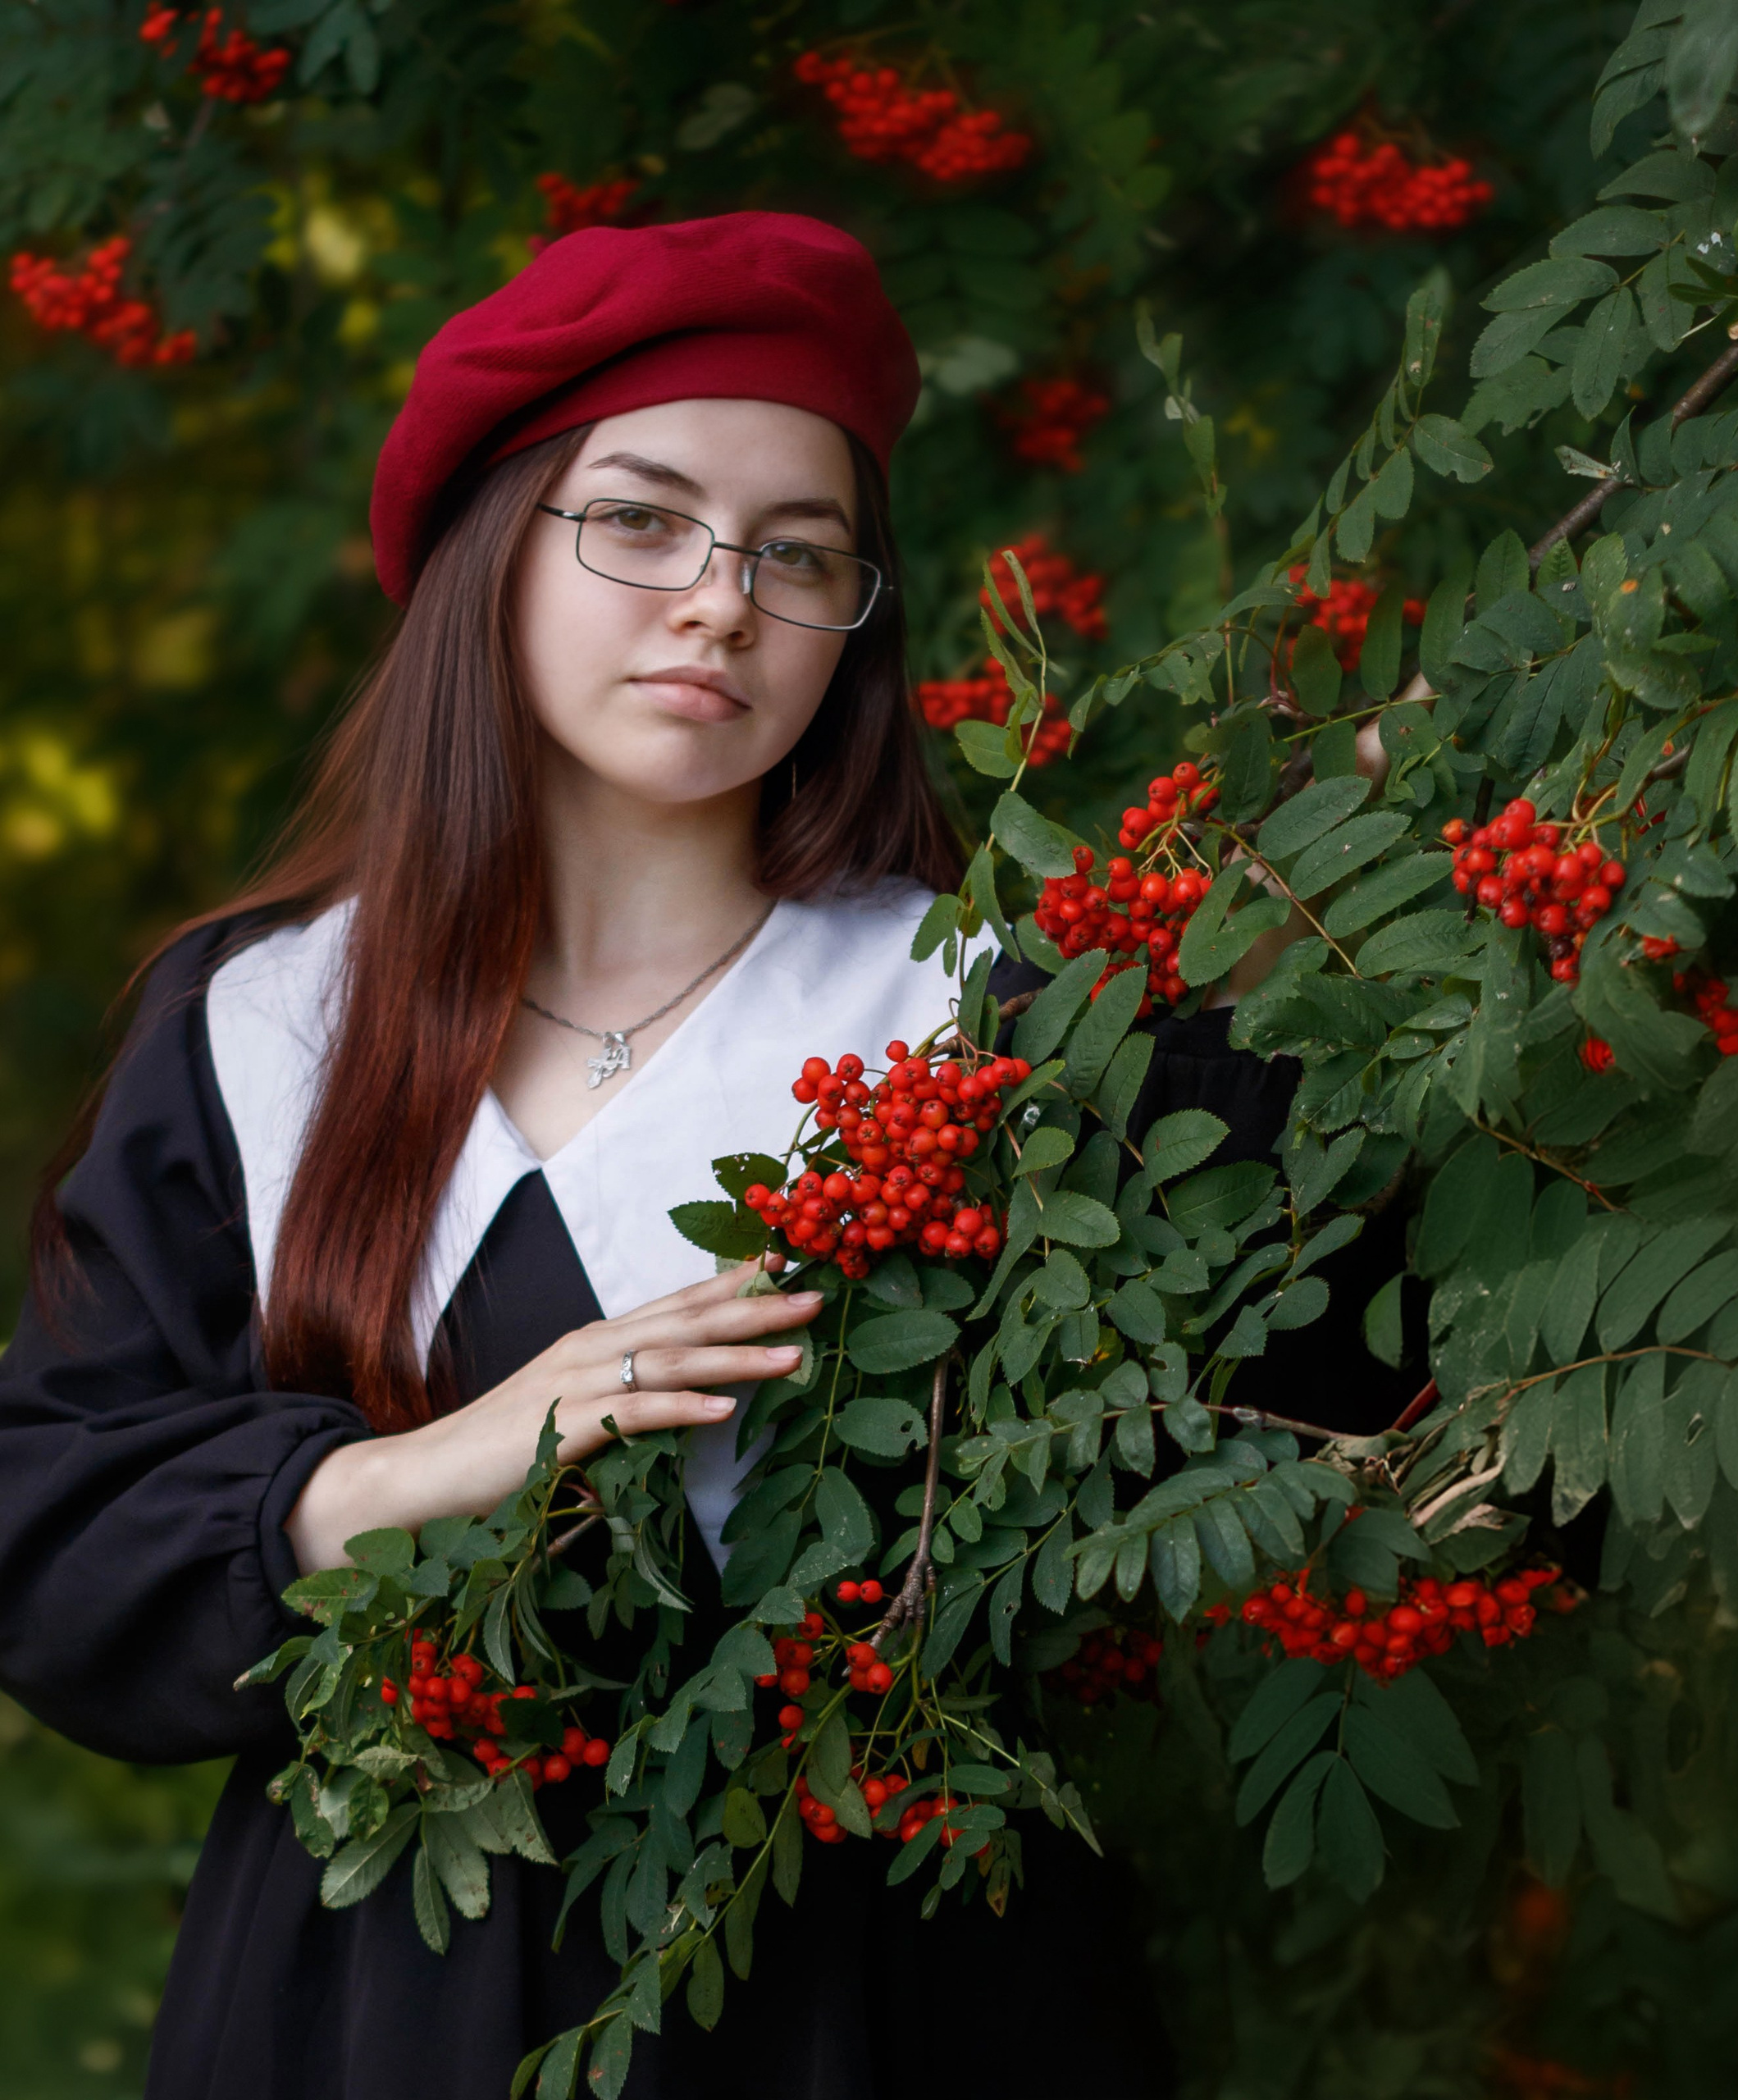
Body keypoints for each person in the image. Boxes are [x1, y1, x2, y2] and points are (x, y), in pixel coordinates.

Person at [0, 212, 1238, 2100]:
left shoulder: (999, 1010)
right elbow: (48, 1530)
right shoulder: (260, 1026)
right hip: (366, 1993)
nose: (722, 598)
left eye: (798, 552)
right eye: (642, 519)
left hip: (879, 1977)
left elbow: (1269, 1404)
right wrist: (420, 1469)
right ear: (493, 551)